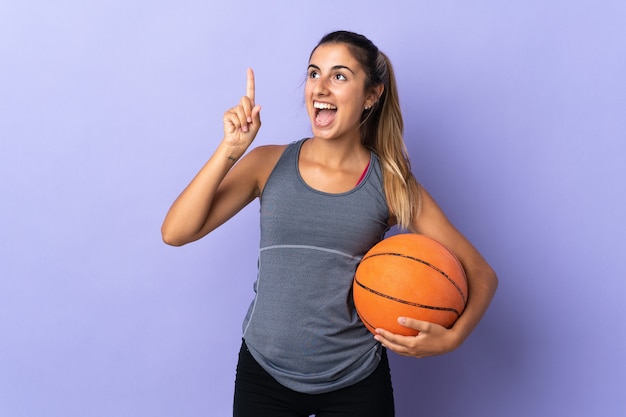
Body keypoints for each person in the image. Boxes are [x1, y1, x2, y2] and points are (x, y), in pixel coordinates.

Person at [161, 30, 498, 417]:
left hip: (354, 380)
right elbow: (175, 232)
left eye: (339, 76)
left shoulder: (390, 183)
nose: (320, 87)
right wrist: (230, 150)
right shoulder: (267, 164)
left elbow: (481, 274)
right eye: (313, 73)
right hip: (264, 374)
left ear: (371, 95)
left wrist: (451, 340)